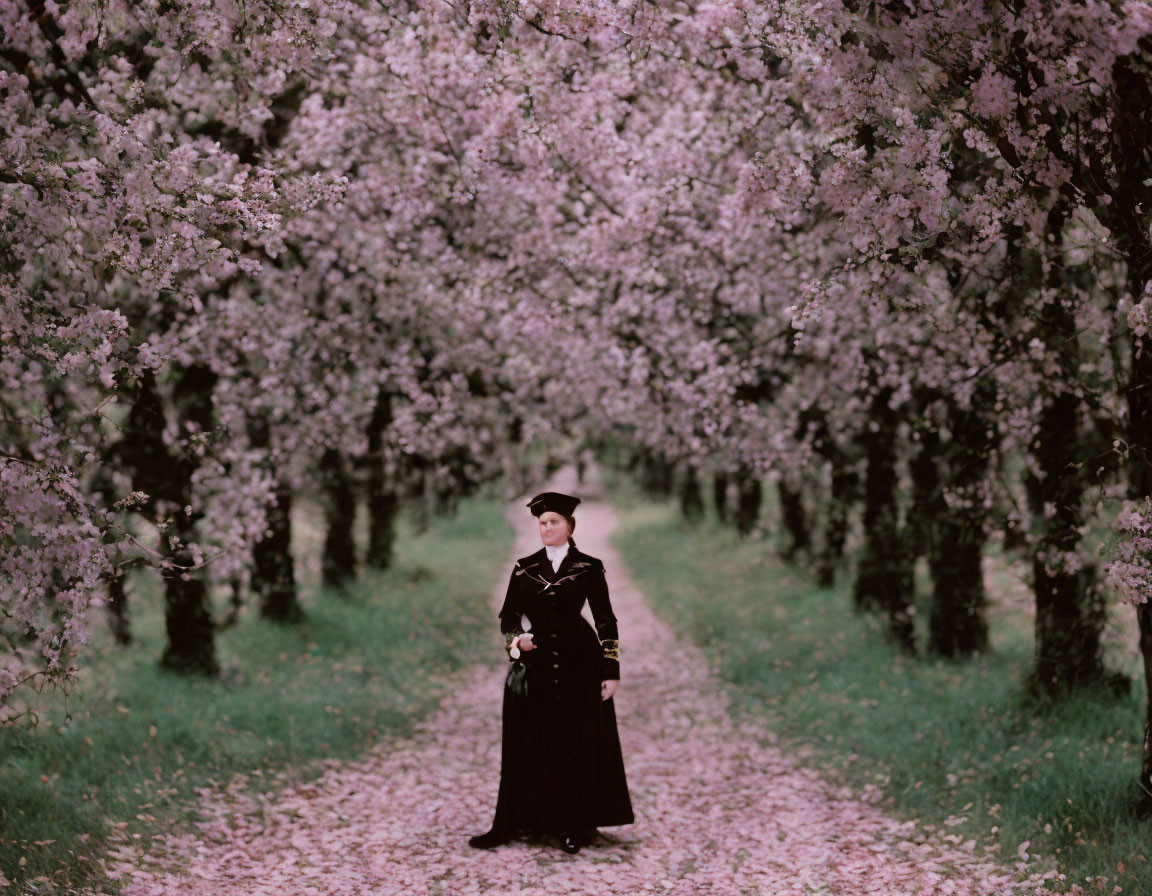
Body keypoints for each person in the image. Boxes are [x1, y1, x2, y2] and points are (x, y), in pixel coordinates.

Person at [468, 491, 634, 854]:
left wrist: (611, 669)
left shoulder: (589, 567)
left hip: (580, 664)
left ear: (569, 526)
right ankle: (523, 819)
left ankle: (572, 824)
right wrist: (517, 643)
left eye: (554, 522)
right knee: (532, 737)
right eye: (542, 523)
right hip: (535, 666)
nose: (547, 528)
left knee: (573, 741)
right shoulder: (524, 567)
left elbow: (606, 620)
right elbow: (508, 617)